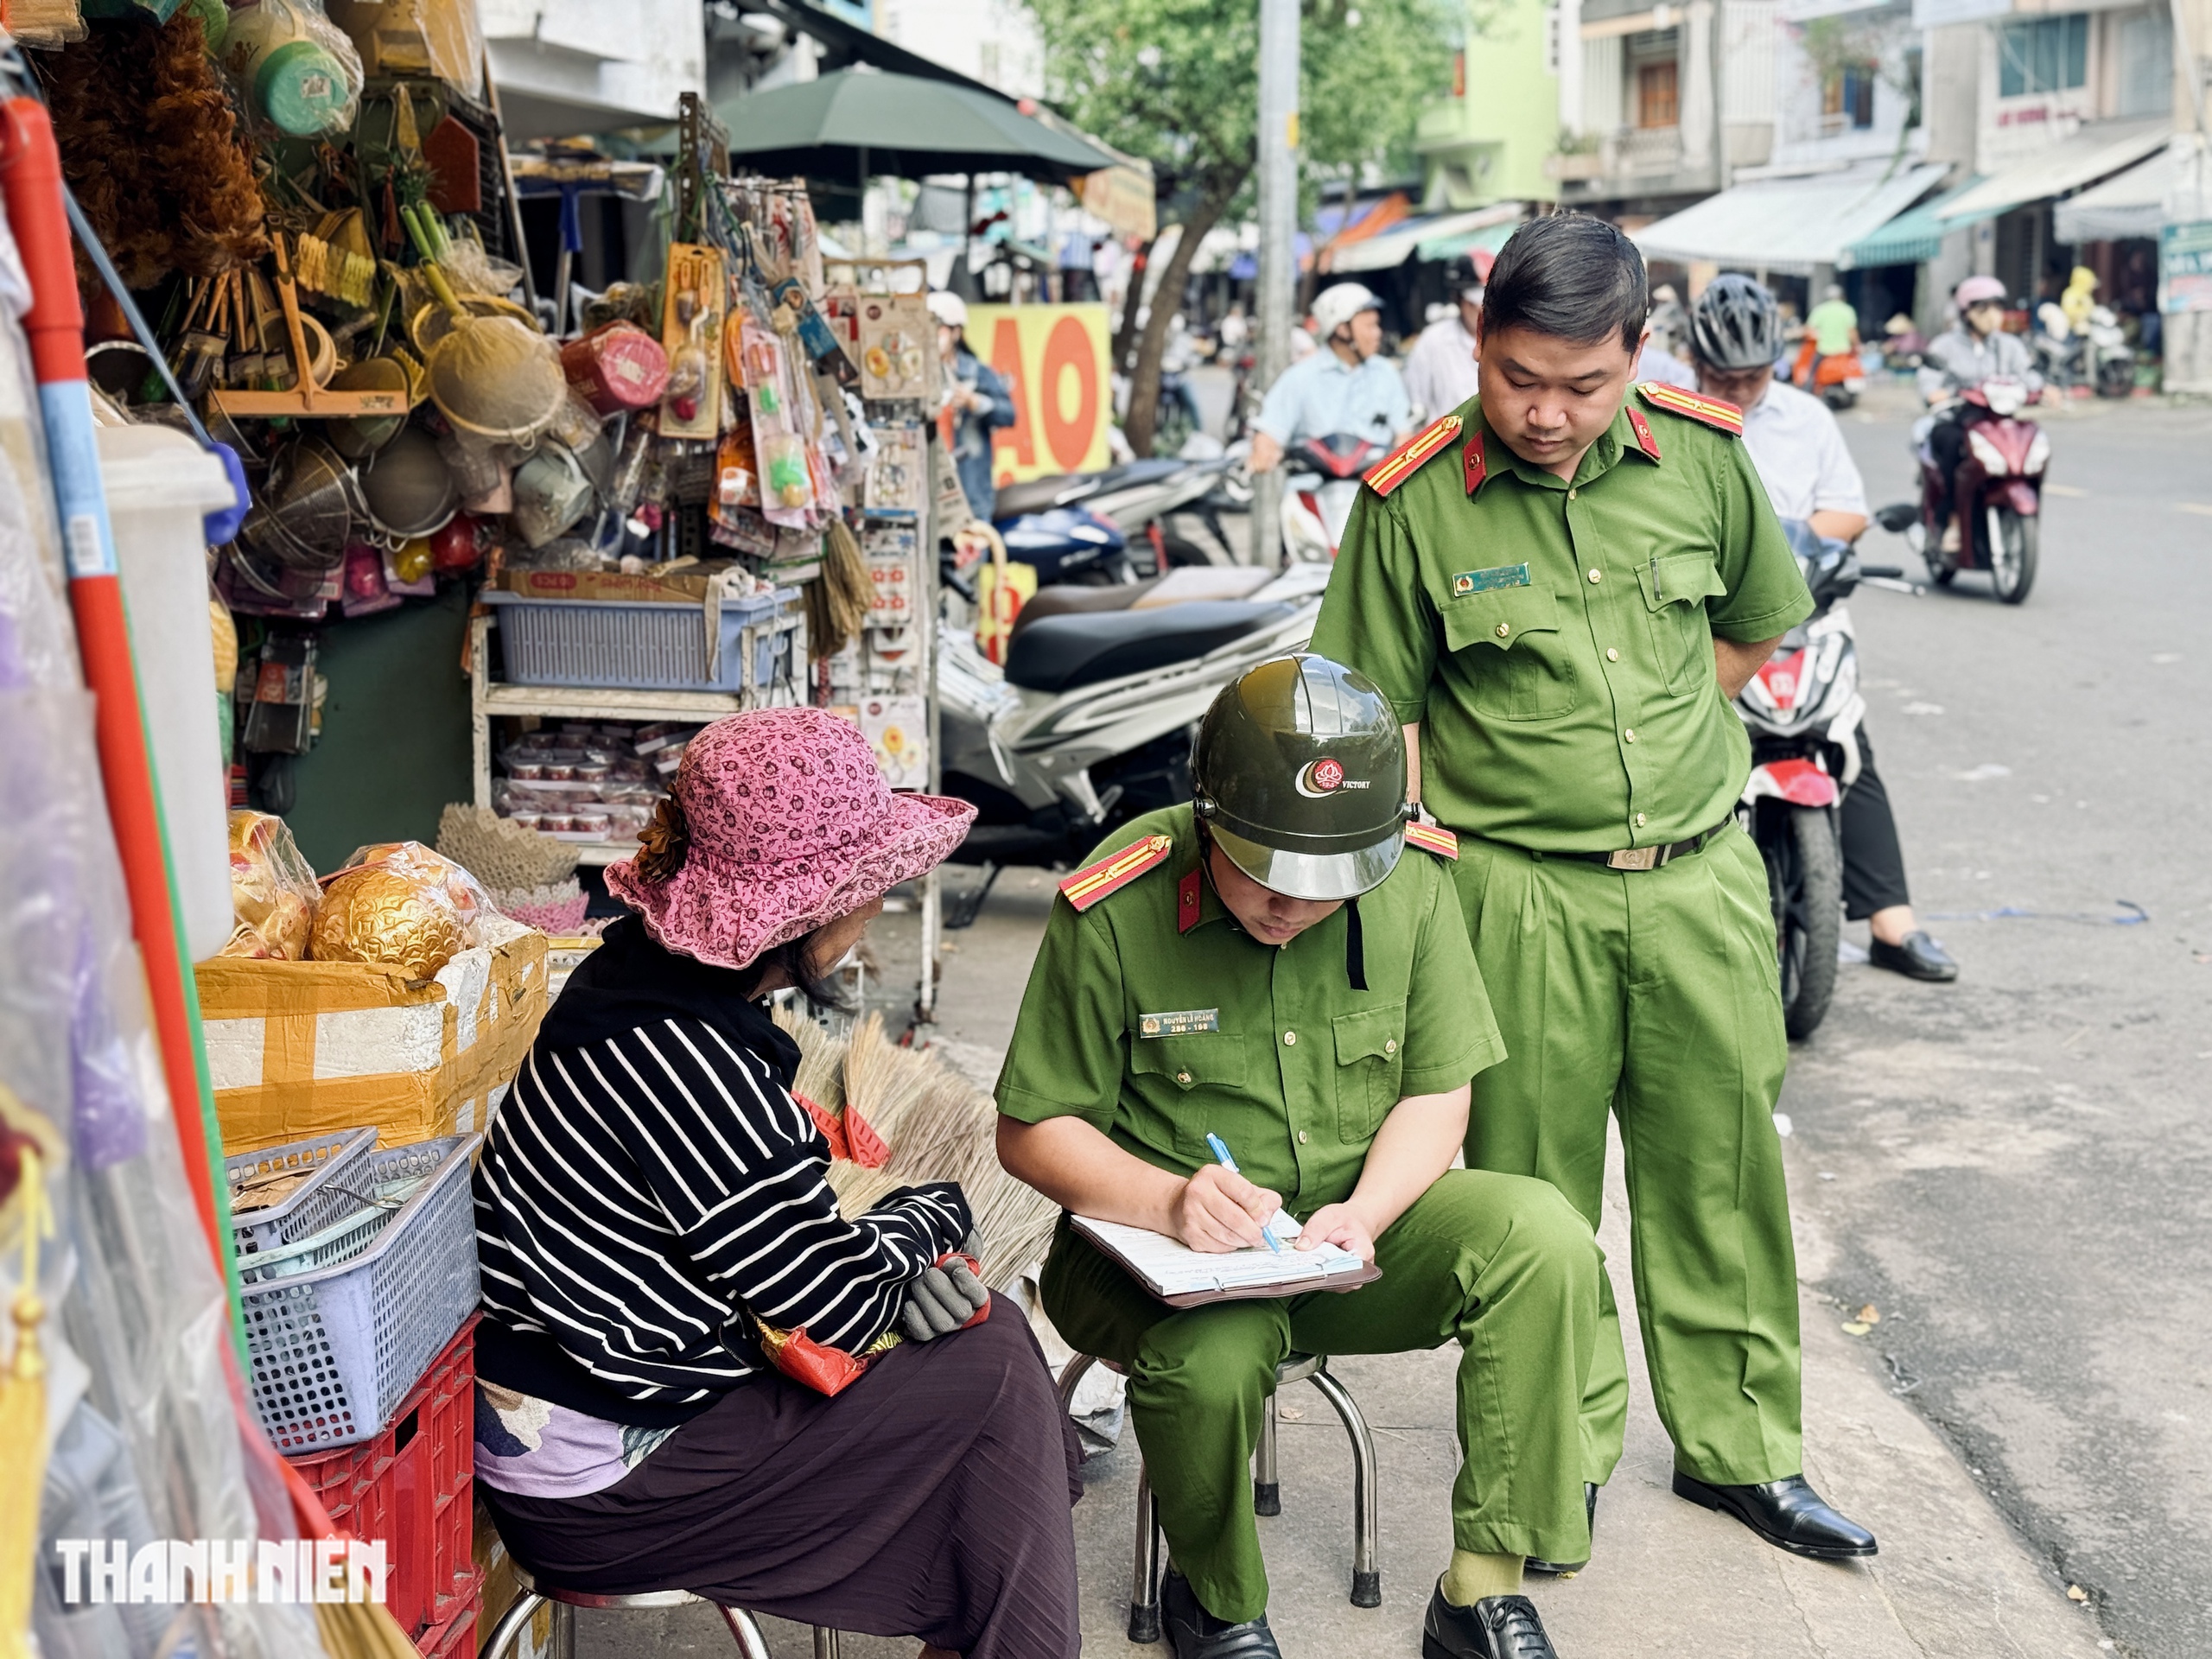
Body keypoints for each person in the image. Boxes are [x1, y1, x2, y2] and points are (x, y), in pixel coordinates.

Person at [1311, 213, 1878, 1570]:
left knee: (1722, 1174)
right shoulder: (1412, 499)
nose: (1547, 415)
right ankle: (1543, 1471)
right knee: (1537, 1202)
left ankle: (1742, 1452)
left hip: (1698, 882)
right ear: (1478, 342)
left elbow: (1752, 625)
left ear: (1637, 353)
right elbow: (1373, 719)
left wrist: (1669, 786)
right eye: (1517, 379)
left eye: (1582, 385)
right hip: (1513, 898)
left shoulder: (1704, 456)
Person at [997, 654, 1600, 1659]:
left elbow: (1437, 1089)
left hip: (1337, 1238)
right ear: (1206, 820)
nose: (1292, 908)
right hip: (1153, 1261)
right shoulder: (1118, 898)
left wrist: (1364, 1216)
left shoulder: (1412, 878)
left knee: (1543, 1237)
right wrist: (1168, 1201)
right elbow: (1029, 1130)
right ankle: (1216, 1599)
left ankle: (1479, 1593)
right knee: (1207, 1366)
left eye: (1326, 888)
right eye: (1265, 876)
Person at [471, 708, 1083, 1659]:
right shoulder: (681, 1059)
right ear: (803, 912)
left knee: (985, 1359)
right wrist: (931, 1216)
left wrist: (897, 1249)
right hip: (595, 1486)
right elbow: (830, 1305)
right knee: (995, 1362)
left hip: (595, 1421)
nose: (873, 910)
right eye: (867, 888)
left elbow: (779, 1251)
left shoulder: (632, 991)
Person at [1688, 275, 1960, 983]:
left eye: (1751, 376)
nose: (1738, 390)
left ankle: (1891, 922)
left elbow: (1848, 512)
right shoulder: (1669, 417)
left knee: (1845, 739)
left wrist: (1786, 551)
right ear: (1696, 362)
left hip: (1802, 605)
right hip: (1705, 616)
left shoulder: (1807, 417)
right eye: (1724, 376)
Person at [1917, 276, 2045, 556]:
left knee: (2031, 438)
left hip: (1998, 421)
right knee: (1952, 444)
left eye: (1998, 307)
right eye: (1983, 308)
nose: (1992, 316)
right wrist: (1934, 393)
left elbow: (2029, 375)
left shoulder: (2010, 346)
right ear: (1966, 312)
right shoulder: (1944, 346)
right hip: (1956, 419)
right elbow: (1930, 378)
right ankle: (1952, 519)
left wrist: (2044, 388)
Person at [1249, 282, 1412, 474]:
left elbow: (1404, 434)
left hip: (1372, 491)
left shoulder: (1386, 373)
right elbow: (1270, 431)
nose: (1378, 333)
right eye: (1370, 326)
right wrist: (1263, 452)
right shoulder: (1300, 376)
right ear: (1343, 330)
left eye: (1377, 325)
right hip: (1310, 490)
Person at [929, 289, 1017, 523]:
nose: (932, 335)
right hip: (930, 491)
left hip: (970, 491)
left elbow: (1009, 414)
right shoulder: (916, 374)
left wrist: (975, 402)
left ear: (956, 332)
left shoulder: (976, 372)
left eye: (939, 327)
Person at [1402, 252, 1491, 421]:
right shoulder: (1434, 341)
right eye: (1474, 304)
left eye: (1489, 303)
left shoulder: (1508, 339)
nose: (1482, 312)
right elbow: (1414, 401)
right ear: (1457, 299)